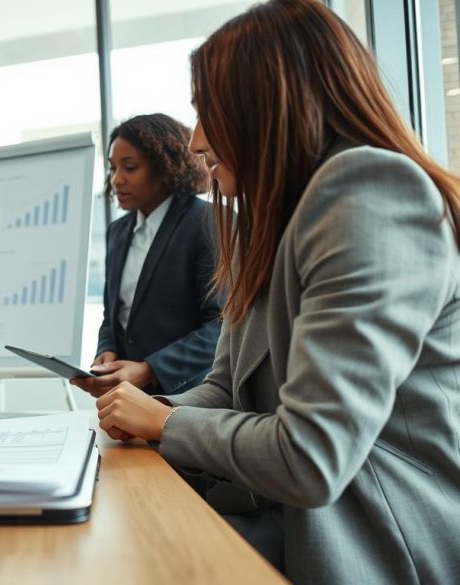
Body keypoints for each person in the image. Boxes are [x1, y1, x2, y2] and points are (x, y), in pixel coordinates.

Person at [93, 1, 460, 582]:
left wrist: (164, 425)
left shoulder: (369, 191)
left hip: (369, 543)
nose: (195, 141)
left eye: (206, 110)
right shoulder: (276, 221)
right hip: (280, 518)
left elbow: (310, 456)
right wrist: (146, 413)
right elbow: (225, 389)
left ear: (267, 103)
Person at [69, 114, 220, 398]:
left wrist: (150, 369)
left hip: (188, 400)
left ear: (165, 166)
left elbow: (222, 326)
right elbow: (113, 317)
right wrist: (107, 353)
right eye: (112, 168)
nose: (117, 179)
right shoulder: (118, 231)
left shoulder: (206, 222)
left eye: (130, 167)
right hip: (125, 399)